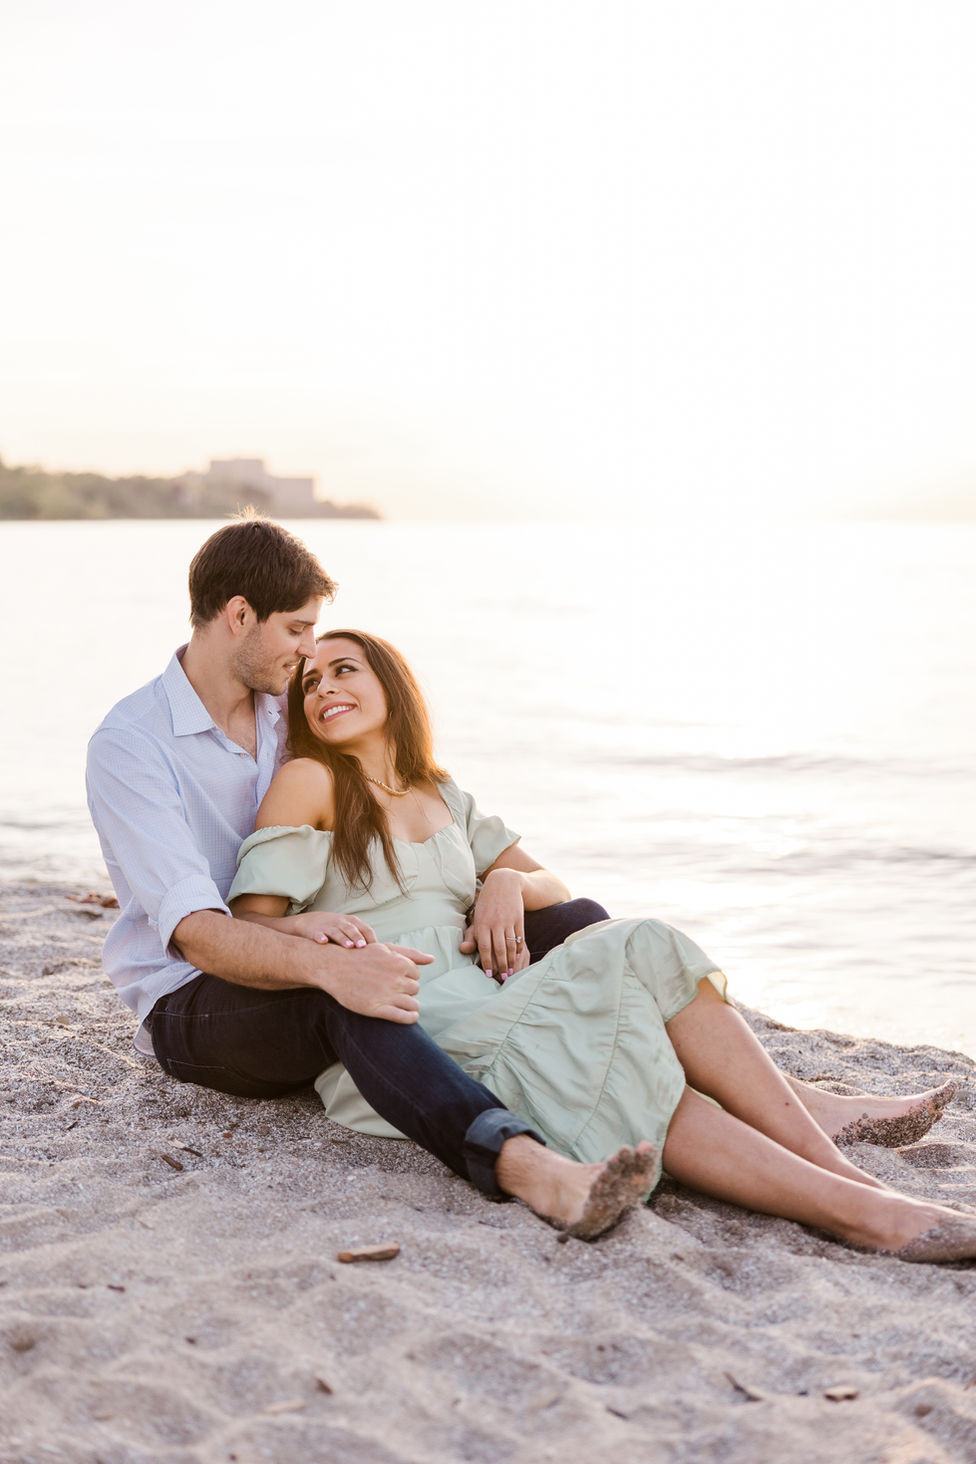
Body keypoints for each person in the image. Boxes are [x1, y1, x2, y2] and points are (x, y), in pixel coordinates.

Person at [229, 628, 975, 1263]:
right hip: (417, 1030)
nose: (322, 686)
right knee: (638, 977)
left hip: (497, 997)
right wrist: (310, 935)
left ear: (391, 683)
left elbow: (550, 881)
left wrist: (504, 887)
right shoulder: (311, 780)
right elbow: (251, 928)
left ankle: (851, 1188)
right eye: (310, 680)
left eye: (343, 668)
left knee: (642, 1013)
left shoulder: (441, 792)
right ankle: (858, 1203)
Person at [85, 513, 660, 1240]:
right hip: (193, 1001)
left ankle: (691, 1081)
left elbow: (404, 798)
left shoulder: (291, 711)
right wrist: (320, 960)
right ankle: (524, 1165)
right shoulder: (131, 746)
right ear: (238, 615)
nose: (308, 650)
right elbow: (196, 935)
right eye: (297, 629)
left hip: (313, 943)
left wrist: (496, 884)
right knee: (348, 991)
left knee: (574, 920)